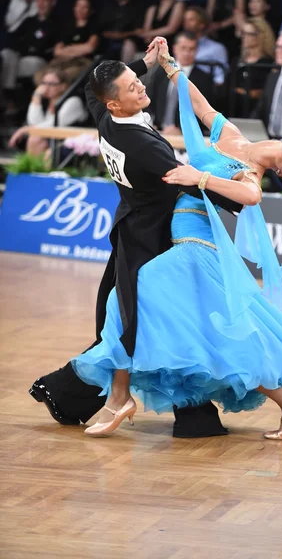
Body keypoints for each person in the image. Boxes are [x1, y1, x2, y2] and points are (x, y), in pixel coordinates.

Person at [72, 38, 282, 440]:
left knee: (128, 297)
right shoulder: (233, 136)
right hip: (180, 237)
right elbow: (202, 107)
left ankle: (119, 398)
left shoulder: (251, 169)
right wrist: (169, 69)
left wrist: (198, 177)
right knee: (209, 335)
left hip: (196, 247)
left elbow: (251, 196)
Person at [29, 38, 242, 439]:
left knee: (140, 323)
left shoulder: (105, 115)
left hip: (132, 228)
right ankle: (186, 414)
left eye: (136, 81)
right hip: (154, 239)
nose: (141, 88)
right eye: (132, 88)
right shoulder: (140, 143)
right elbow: (187, 181)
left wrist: (144, 63)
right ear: (116, 103)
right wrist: (244, 193)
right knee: (149, 323)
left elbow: (100, 89)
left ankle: (71, 392)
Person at [8, 65, 87, 157]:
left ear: (63, 86)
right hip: (52, 141)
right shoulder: (45, 102)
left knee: (40, 144)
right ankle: (33, 170)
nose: (46, 88)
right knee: (35, 138)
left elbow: (54, 124)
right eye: (44, 83)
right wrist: (36, 97)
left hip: (72, 144)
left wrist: (25, 129)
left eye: (51, 84)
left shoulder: (74, 101)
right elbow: (34, 123)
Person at [147, 30, 213, 135]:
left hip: (186, 134)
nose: (187, 53)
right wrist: (151, 123)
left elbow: (205, 111)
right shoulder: (161, 71)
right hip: (157, 130)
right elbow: (150, 99)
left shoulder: (204, 78)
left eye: (191, 49)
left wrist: (181, 130)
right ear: (175, 49)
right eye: (183, 48)